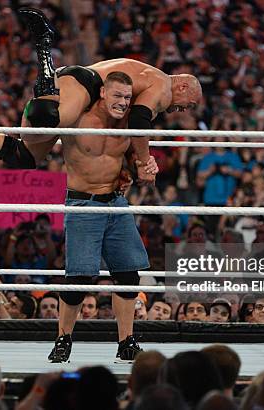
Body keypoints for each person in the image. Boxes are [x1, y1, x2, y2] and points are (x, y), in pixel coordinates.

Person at [0, 8, 202, 173]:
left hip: (75, 87)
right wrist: (145, 160)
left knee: (24, 158)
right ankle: (44, 43)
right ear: (182, 85)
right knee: (46, 120)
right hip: (85, 83)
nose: (181, 110)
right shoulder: (163, 84)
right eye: (187, 104)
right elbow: (141, 120)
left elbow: (130, 125)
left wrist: (135, 160)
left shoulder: (149, 79)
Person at [46, 71, 156, 364]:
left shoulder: (130, 123)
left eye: (127, 97)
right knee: (79, 278)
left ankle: (126, 342)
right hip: (84, 204)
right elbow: (42, 125)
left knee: (128, 275)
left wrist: (140, 168)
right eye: (117, 95)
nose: (122, 102)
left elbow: (133, 160)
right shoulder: (77, 117)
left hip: (116, 203)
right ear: (104, 93)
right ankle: (63, 340)